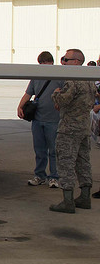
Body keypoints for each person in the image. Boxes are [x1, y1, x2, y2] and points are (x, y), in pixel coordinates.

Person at [49, 48, 96, 213]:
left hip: (69, 129)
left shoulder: (73, 80)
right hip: (84, 128)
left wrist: (55, 94)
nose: (63, 62)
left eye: (65, 59)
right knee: (83, 162)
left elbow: (63, 100)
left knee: (66, 163)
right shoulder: (89, 79)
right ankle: (85, 197)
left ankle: (68, 201)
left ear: (76, 61)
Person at [16, 51, 63, 188]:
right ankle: (40, 175)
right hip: (38, 119)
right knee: (40, 150)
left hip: (53, 120)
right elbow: (28, 93)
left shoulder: (59, 77)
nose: (43, 67)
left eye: (46, 64)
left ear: (51, 63)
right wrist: (20, 106)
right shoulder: (36, 77)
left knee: (53, 150)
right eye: (41, 64)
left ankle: (54, 177)